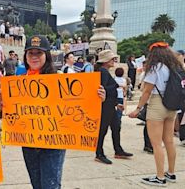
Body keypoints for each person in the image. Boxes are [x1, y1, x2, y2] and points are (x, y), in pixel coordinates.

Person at [21, 35, 106, 189]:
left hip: (53, 143)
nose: (34, 57)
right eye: (30, 53)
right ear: (25, 56)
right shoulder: (18, 83)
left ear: (46, 56)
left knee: (50, 185)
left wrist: (97, 96)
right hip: (29, 144)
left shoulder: (61, 78)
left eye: (38, 53)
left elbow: (82, 99)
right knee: (37, 185)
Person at [128, 42, 183, 186]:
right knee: (169, 141)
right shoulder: (175, 67)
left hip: (158, 104)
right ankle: (170, 173)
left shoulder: (155, 68)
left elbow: (147, 91)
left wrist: (138, 108)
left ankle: (160, 177)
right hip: (172, 105)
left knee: (156, 143)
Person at [94, 50, 133, 165]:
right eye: (112, 59)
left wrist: (116, 103)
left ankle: (118, 150)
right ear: (105, 61)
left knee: (116, 127)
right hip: (106, 106)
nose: (114, 61)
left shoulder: (104, 71)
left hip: (110, 105)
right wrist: (116, 87)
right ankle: (99, 152)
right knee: (103, 129)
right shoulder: (103, 72)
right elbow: (102, 88)